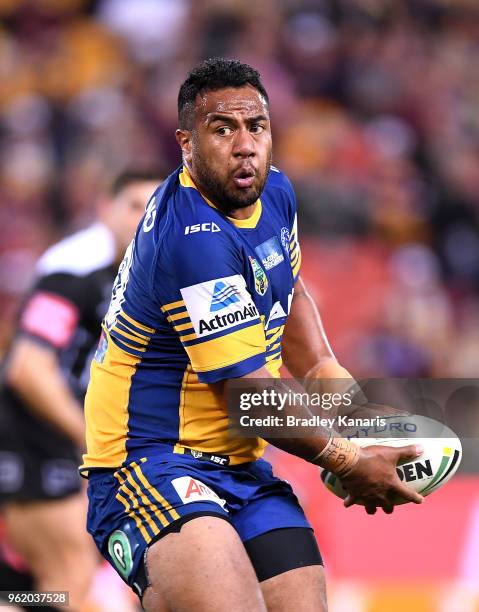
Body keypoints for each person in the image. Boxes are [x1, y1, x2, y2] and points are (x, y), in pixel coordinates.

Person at [82, 58, 424, 612]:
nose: (245, 146)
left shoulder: (274, 194)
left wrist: (338, 391)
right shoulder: (191, 239)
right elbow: (249, 398)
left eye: (256, 127)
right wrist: (346, 459)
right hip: (149, 463)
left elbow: (287, 293)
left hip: (240, 466)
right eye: (223, 129)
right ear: (186, 144)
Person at [0, 169, 163, 609]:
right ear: (104, 210)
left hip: (61, 445)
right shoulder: (71, 273)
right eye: (133, 206)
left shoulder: (135, 280)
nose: (142, 219)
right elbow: (27, 369)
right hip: (35, 441)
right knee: (69, 579)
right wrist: (93, 441)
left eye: (154, 210)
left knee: (47, 587)